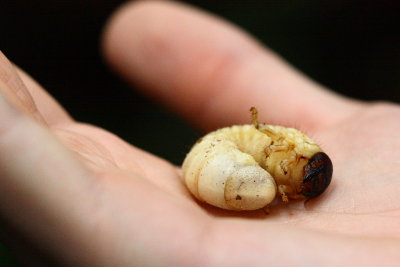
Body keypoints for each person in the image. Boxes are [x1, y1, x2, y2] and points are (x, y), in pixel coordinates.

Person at [1, 1, 399, 265]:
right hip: (219, 164)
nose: (290, 182)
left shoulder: (268, 153)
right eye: (296, 172)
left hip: (219, 164)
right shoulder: (272, 151)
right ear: (291, 153)